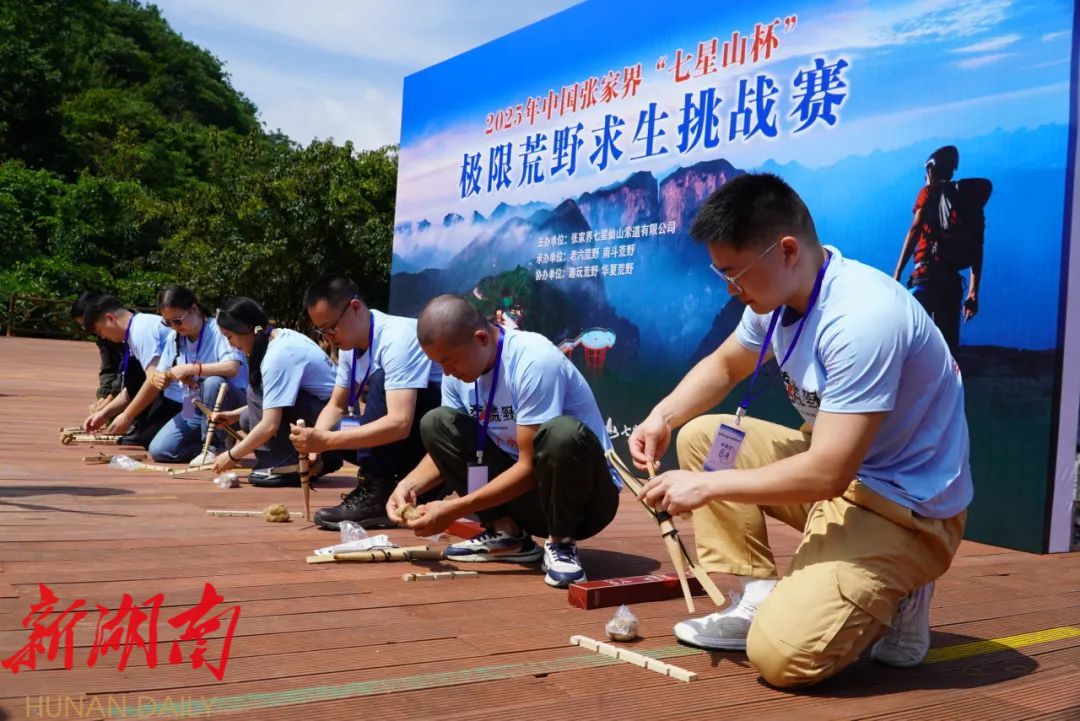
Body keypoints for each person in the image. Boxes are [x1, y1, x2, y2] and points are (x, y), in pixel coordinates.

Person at [631, 173, 971, 688]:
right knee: (703, 437)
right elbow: (725, 365)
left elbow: (830, 473)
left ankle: (904, 584)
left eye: (735, 274)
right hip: (838, 474)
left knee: (781, 657)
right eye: (721, 274)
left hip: (903, 507)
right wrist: (662, 416)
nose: (730, 289)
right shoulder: (780, 296)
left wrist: (704, 486)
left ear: (787, 250)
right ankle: (756, 596)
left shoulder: (862, 318)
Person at [386, 294, 621, 588]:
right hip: (529, 496)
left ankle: (561, 542)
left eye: (449, 361)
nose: (446, 372)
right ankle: (507, 535)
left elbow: (529, 466)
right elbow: (445, 447)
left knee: (562, 434)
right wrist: (408, 486)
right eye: (439, 364)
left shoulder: (534, 359)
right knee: (437, 422)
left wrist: (452, 510)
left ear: (481, 338)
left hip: (585, 499)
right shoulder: (457, 371)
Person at [289, 273, 444, 530]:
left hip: (430, 432)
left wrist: (326, 440)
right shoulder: (349, 346)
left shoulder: (397, 338)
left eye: (331, 327)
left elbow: (400, 423)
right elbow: (336, 405)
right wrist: (316, 446)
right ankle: (392, 482)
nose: (328, 336)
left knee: (379, 380)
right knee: (334, 425)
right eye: (322, 330)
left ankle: (379, 488)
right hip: (404, 435)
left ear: (355, 307)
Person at [210, 297, 341, 485]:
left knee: (255, 390)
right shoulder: (281, 337)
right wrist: (234, 415)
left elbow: (270, 425)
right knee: (246, 418)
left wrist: (232, 455)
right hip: (321, 412)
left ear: (245, 329)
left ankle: (282, 466)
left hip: (327, 418)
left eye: (229, 337)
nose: (231, 345)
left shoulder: (277, 356)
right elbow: (280, 398)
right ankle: (320, 458)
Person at [893, 145, 986, 355]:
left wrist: (897, 273)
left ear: (931, 170)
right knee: (947, 350)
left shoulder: (927, 193)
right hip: (951, 285)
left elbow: (915, 229)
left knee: (908, 344)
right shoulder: (967, 205)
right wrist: (973, 293)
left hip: (925, 278)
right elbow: (976, 249)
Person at [146, 285, 248, 465]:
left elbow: (232, 367)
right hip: (191, 403)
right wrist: (162, 377)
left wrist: (192, 369)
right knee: (159, 450)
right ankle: (215, 445)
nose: (174, 327)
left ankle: (214, 447)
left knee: (213, 382)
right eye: (168, 323)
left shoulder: (219, 330)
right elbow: (161, 372)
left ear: (194, 309)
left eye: (177, 320)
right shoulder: (175, 337)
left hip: (231, 403)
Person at [81, 295, 180, 448]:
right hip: (170, 390)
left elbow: (153, 380)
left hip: (184, 396)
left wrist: (127, 416)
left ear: (110, 318)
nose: (104, 337)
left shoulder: (141, 331)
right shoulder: (133, 332)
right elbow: (134, 385)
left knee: (151, 440)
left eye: (100, 331)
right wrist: (104, 414)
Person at [70, 291, 133, 414]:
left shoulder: (134, 332)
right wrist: (103, 397)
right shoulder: (104, 335)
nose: (91, 331)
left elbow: (132, 373)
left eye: (89, 325)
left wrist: (111, 401)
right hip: (126, 387)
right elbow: (108, 369)